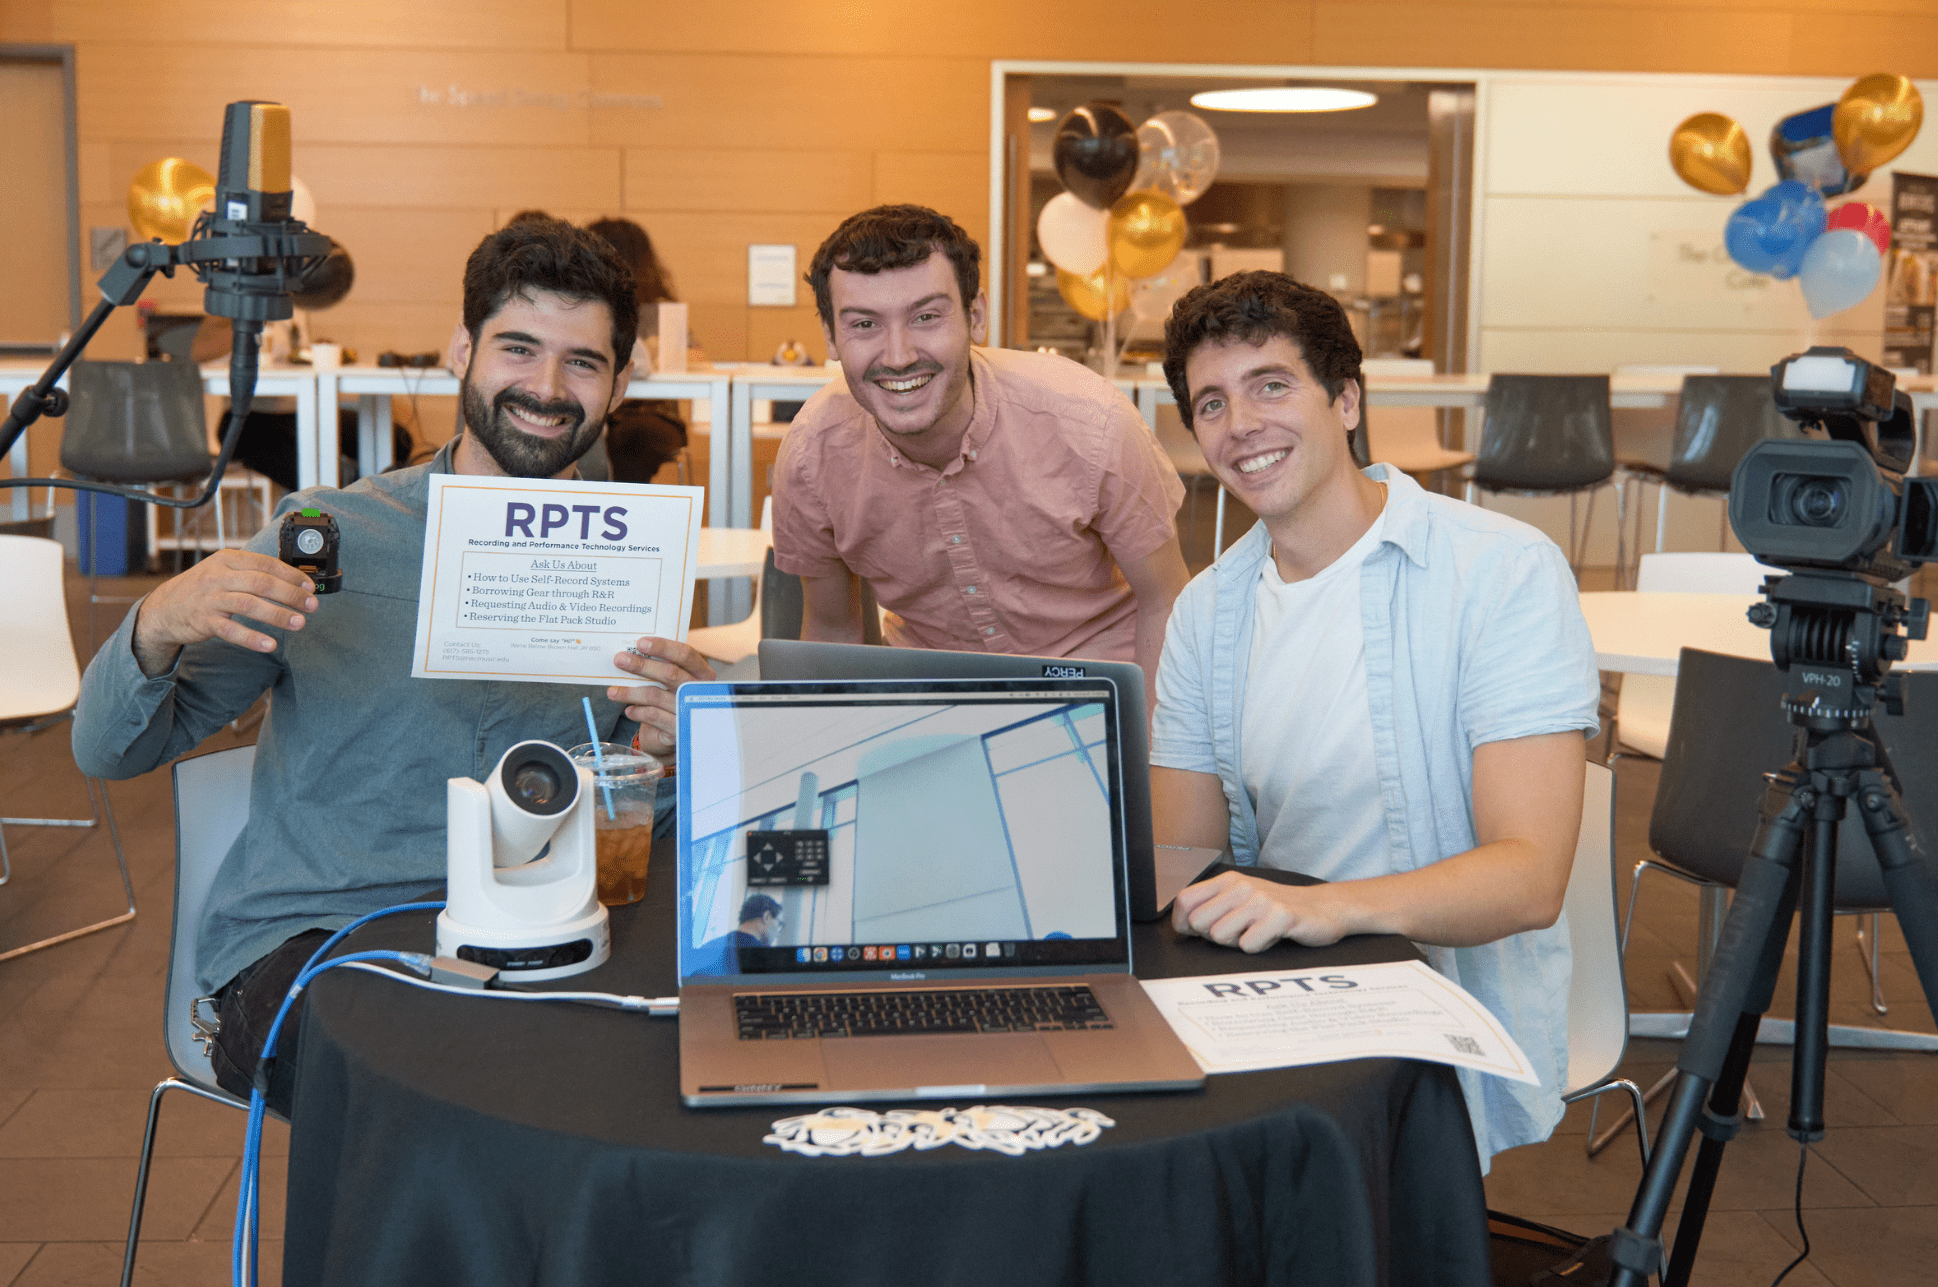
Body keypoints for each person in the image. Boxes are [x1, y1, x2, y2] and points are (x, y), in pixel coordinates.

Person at [71, 216, 716, 1114]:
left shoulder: (628, 562)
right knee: (448, 1089)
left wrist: (693, 745)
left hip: (540, 929)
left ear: (620, 381)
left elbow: (627, 806)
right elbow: (109, 752)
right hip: (321, 938)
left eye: (582, 361)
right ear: (462, 349)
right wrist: (156, 622)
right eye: (518, 348)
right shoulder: (330, 536)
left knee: (673, 1068)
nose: (546, 386)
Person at [1148, 271, 1599, 1166]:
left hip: (1432, 1010)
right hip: (1272, 992)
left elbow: (1530, 876)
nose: (1240, 426)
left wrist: (1325, 907)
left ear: (1345, 398)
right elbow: (1183, 865)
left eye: (1271, 385)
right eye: (1210, 403)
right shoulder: (1209, 610)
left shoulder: (1499, 572)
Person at [771, 204, 1189, 703]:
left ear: (976, 316)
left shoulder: (1089, 421)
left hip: (1098, 688)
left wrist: (1147, 764)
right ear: (831, 336)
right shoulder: (810, 456)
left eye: (926, 317)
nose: (899, 355)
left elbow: (1164, 601)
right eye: (865, 325)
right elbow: (833, 632)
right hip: (931, 695)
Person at [585, 216, 689, 484]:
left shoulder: (661, 310)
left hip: (651, 414)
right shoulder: (582, 307)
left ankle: (623, 510)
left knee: (630, 439)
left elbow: (691, 354)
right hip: (599, 408)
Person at [691, 893, 784, 976]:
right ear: (767, 917)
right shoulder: (766, 957)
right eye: (779, 923)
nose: (778, 932)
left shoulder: (710, 946)